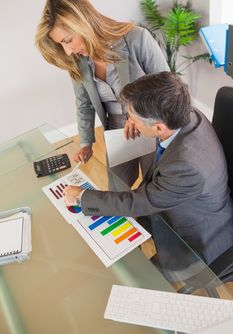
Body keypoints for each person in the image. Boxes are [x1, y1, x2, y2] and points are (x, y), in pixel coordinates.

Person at [64, 71, 233, 266]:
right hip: (178, 203)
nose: (130, 121)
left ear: (159, 128)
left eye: (132, 118)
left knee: (131, 274)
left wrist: (82, 197)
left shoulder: (187, 167)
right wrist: (140, 121)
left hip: (197, 239)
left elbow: (141, 201)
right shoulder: (187, 114)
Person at [35, 0, 169, 187]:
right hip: (116, 129)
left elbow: (168, 87)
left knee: (154, 186)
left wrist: (140, 115)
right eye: (61, 44)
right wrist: (86, 143)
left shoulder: (137, 38)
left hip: (151, 123)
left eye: (67, 40)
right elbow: (84, 104)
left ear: (83, 24)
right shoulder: (78, 61)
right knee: (116, 187)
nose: (68, 50)